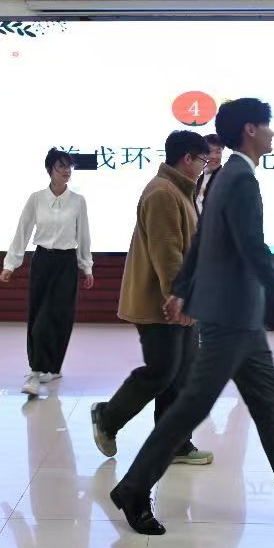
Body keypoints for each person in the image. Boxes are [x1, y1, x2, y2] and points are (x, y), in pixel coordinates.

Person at [109, 98, 274, 536]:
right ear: (250, 130)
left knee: (268, 404)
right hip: (230, 318)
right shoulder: (238, 179)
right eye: (267, 125)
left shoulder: (224, 176)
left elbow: (202, 239)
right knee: (191, 407)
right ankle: (133, 488)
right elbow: (252, 247)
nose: (273, 133)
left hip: (242, 318)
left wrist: (182, 289)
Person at [90, 130, 214, 466]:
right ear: (186, 158)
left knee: (181, 375)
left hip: (182, 301)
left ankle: (175, 444)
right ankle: (108, 417)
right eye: (202, 160)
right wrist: (179, 297)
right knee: (162, 371)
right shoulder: (162, 193)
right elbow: (167, 253)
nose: (204, 167)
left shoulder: (181, 191)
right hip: (162, 305)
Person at [0, 148, 93, 397]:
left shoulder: (78, 201)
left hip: (66, 262)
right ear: (50, 169)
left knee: (60, 316)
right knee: (39, 315)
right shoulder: (36, 198)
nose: (66, 171)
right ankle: (36, 369)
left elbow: (83, 235)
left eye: (69, 167)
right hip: (42, 260)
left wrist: (87, 266)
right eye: (61, 166)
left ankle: (51, 367)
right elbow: (23, 230)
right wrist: (10, 264)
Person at [193, 133, 223, 215]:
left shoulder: (224, 180)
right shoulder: (199, 178)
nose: (213, 156)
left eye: (218, 152)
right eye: (209, 151)